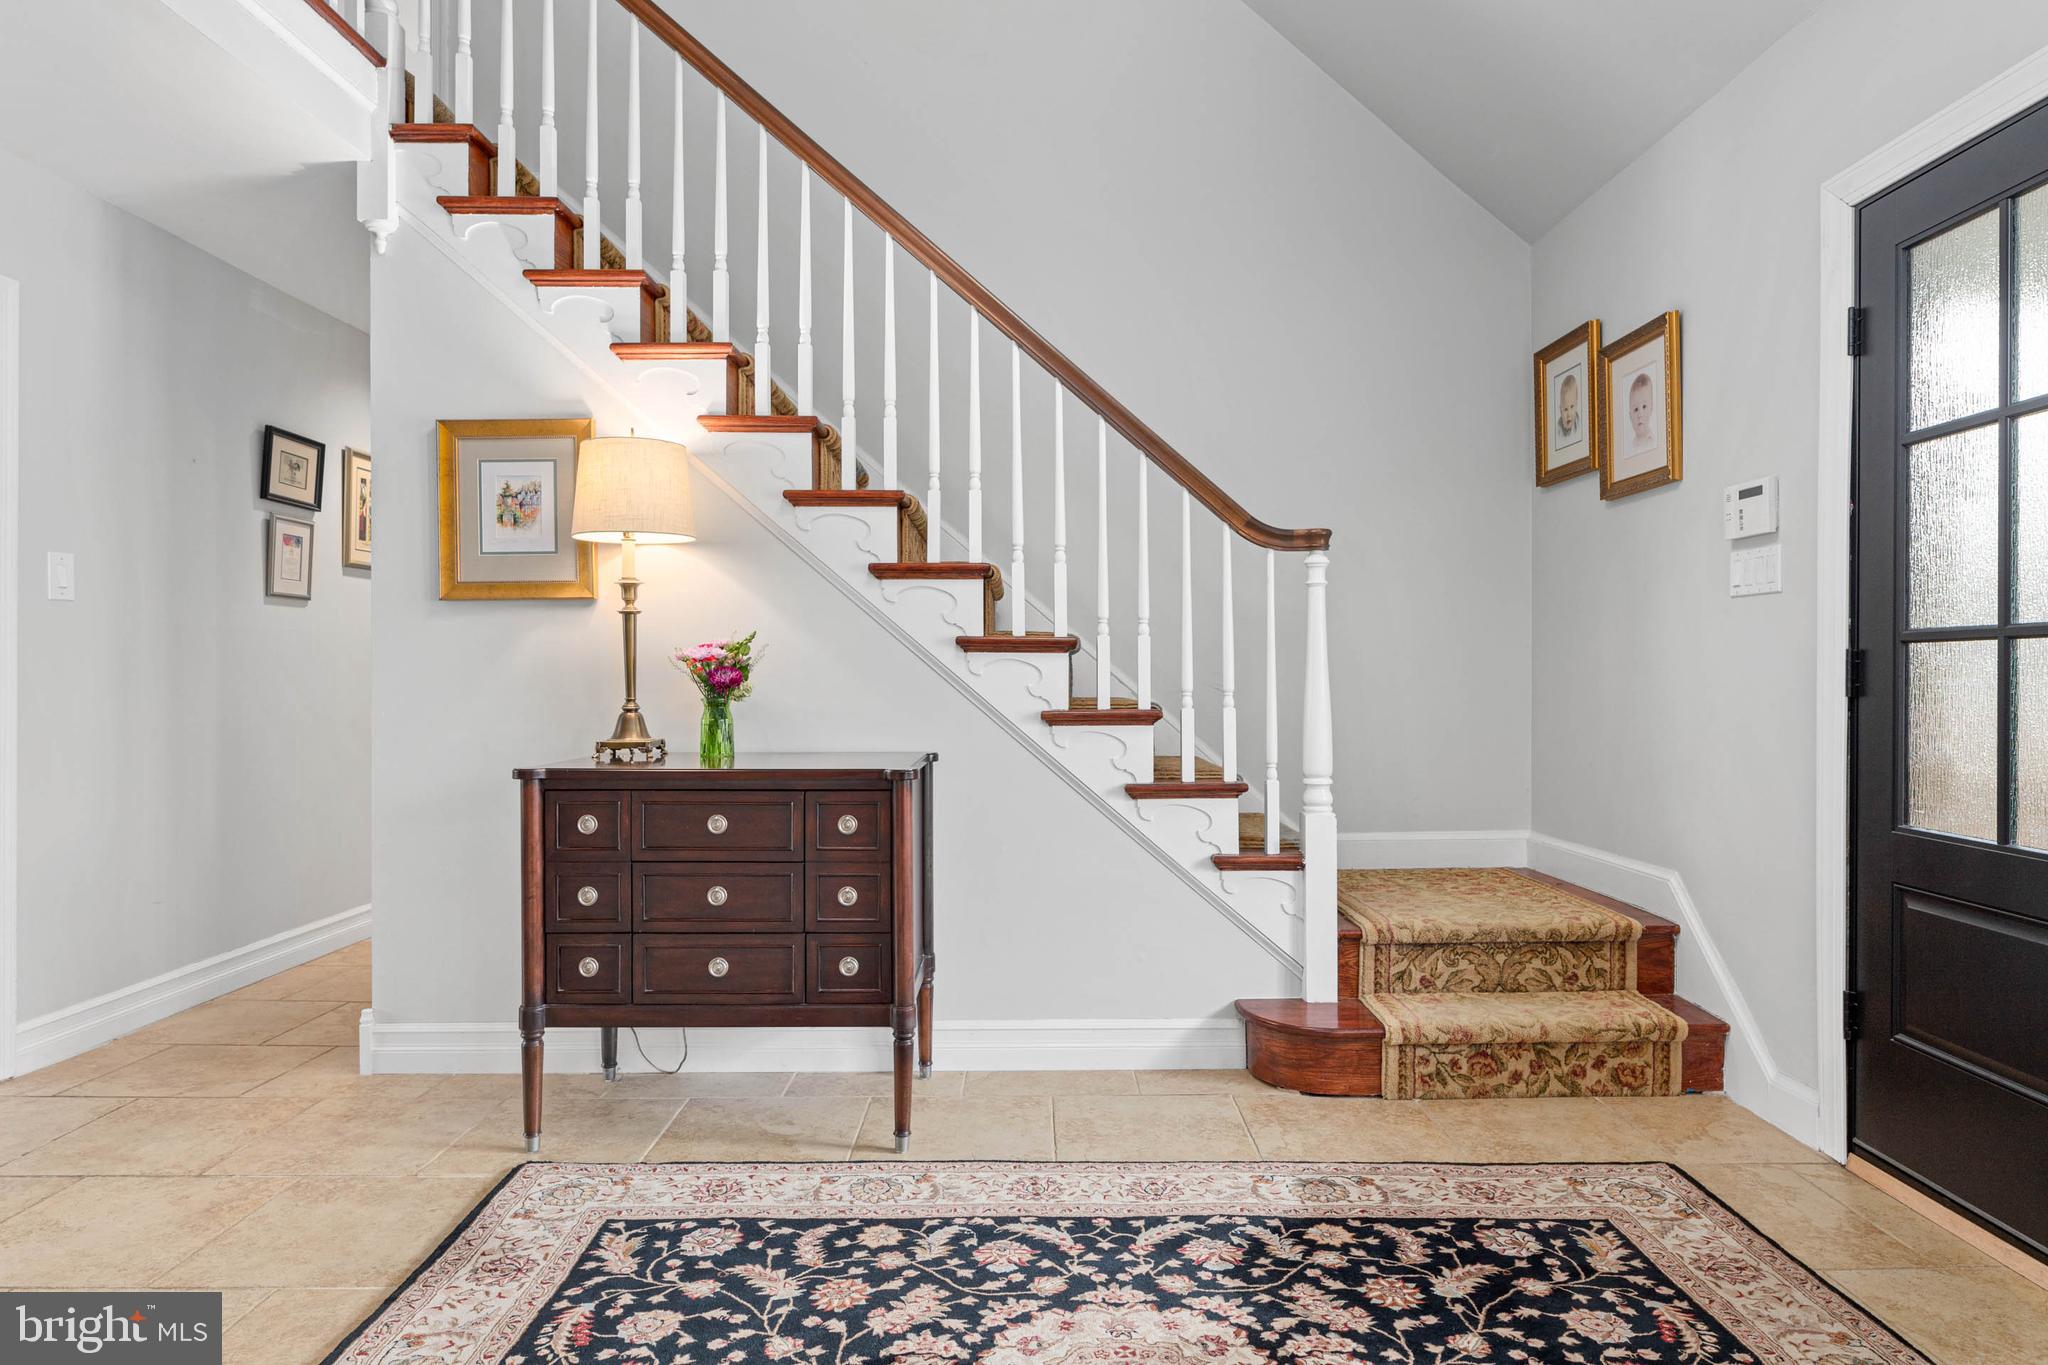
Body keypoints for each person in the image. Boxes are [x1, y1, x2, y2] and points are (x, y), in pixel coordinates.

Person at [1629, 371, 1656, 450]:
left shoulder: (1651, 441)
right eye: (1636, 409)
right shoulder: (1633, 443)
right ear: (1630, 416)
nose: (1640, 414)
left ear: (1651, 409)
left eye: (1644, 407)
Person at [1555, 370, 1581, 444]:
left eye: (1572, 407)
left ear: (1576, 405)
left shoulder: (1578, 423)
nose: (1569, 414)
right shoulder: (1559, 429)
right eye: (1565, 409)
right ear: (1560, 410)